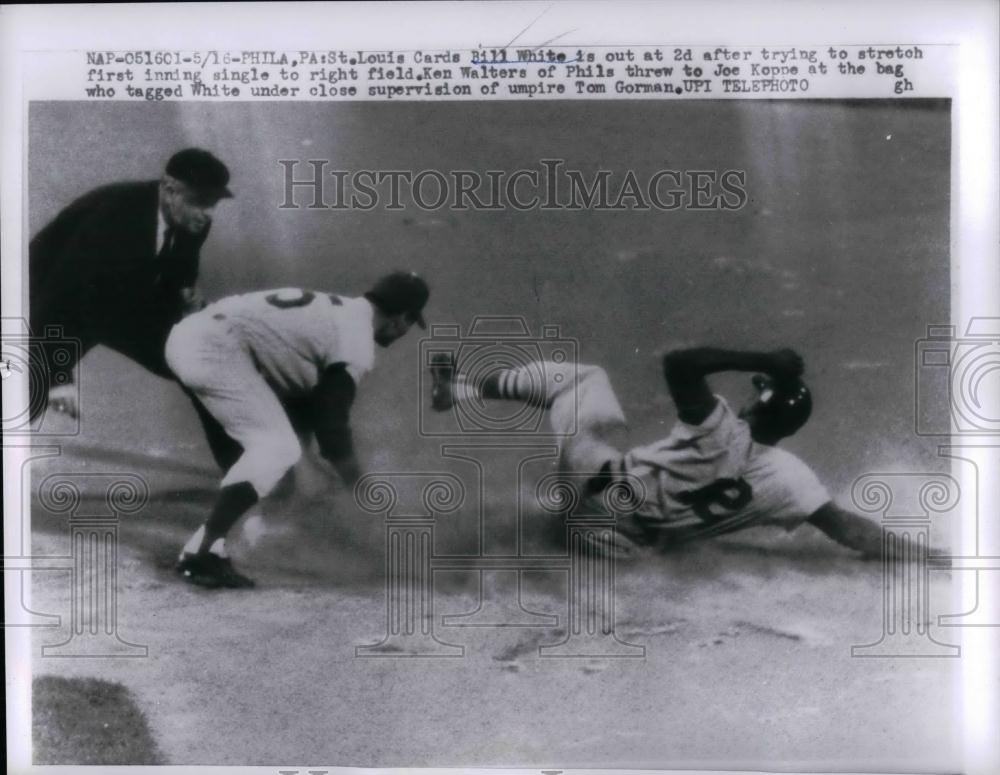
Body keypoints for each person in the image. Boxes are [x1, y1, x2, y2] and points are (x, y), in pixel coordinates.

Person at [429, 346, 889, 558]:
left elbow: (679, 362)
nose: (750, 393)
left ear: (758, 405)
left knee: (586, 380)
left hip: (591, 491)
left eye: (758, 389)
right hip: (624, 546)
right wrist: (918, 554)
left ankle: (461, 390)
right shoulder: (793, 479)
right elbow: (851, 530)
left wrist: (763, 360)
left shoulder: (720, 427)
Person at [166, 271, 430, 589]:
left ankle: (232, 537)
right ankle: (200, 554)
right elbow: (331, 429)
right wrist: (361, 490)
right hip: (213, 350)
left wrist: (323, 465)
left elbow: (308, 406)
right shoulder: (356, 343)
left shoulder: (339, 311)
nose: (405, 331)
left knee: (279, 448)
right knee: (277, 448)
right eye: (411, 323)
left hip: (198, 336)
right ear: (403, 318)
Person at [29, 148, 232, 420]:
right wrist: (57, 377)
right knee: (29, 393)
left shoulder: (194, 222)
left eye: (214, 203)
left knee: (193, 358)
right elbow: (59, 294)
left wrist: (187, 303)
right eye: (200, 202)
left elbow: (181, 272)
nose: (207, 213)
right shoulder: (115, 215)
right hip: (49, 302)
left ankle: (247, 445)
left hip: (118, 301)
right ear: (169, 190)